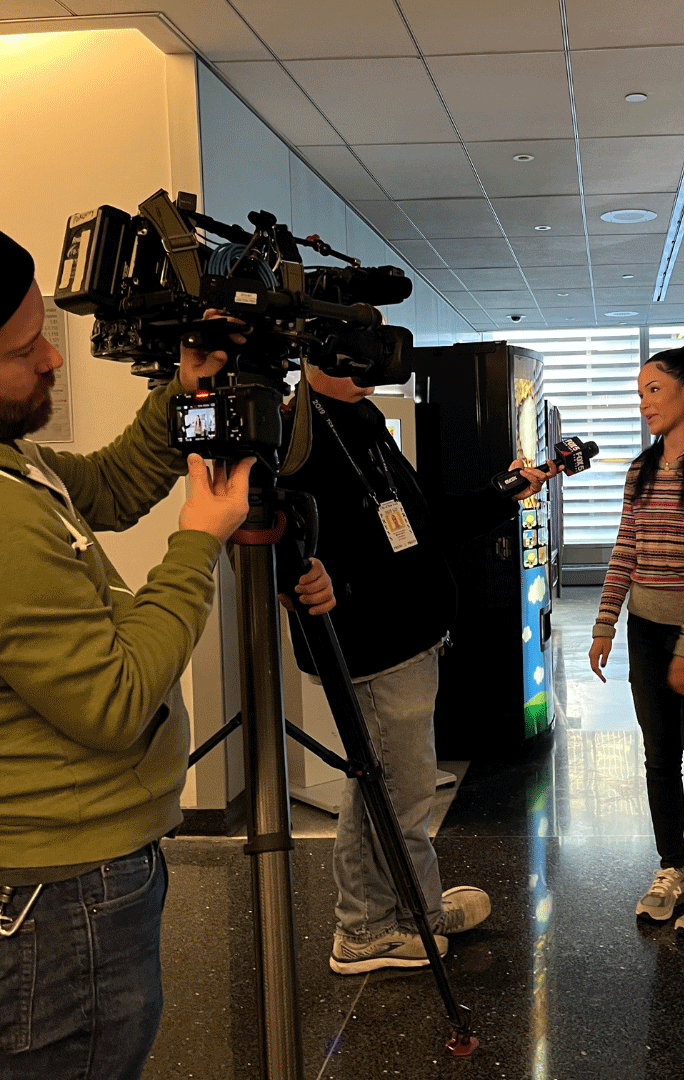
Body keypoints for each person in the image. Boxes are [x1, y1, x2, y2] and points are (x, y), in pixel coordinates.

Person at [0, 231, 335, 1078]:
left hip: (68, 869)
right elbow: (115, 705)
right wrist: (197, 542)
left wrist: (176, 397)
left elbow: (107, 489)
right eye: (22, 349)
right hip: (58, 891)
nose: (52, 360)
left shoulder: (14, 466)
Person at [279, 360, 557, 974]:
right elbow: (264, 527)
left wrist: (503, 491)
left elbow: (420, 520)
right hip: (372, 647)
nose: (370, 362)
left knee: (384, 785)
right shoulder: (293, 431)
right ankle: (373, 928)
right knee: (394, 794)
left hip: (409, 639)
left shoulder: (360, 417)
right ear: (311, 352)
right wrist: (295, 577)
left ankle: (405, 911)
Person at [588, 342, 684, 938]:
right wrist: (605, 623)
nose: (645, 403)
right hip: (645, 633)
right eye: (640, 393)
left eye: (654, 389)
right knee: (658, 760)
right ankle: (671, 870)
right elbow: (626, 550)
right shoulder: (640, 469)